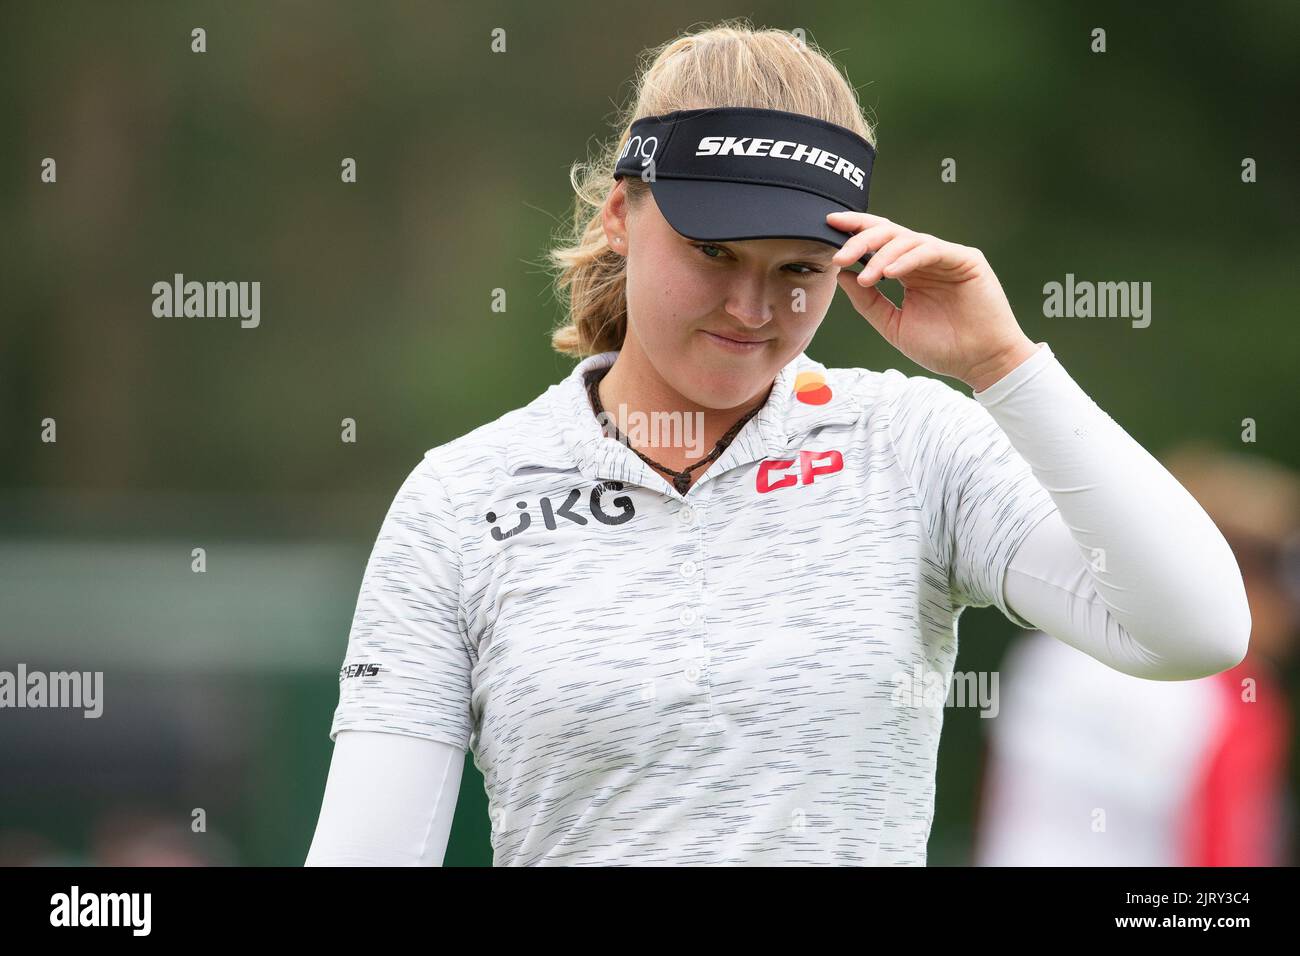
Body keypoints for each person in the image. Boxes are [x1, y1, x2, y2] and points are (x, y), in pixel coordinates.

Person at [305, 21, 1249, 867]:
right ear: (620, 215)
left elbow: (1197, 630)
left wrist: (1004, 363)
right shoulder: (460, 498)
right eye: (713, 255)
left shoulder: (913, 444)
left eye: (798, 270)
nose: (752, 310)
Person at [975, 443, 1298, 866]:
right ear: (1243, 578)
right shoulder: (1233, 696)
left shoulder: (1052, 652)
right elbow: (1224, 853)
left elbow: (1003, 807)